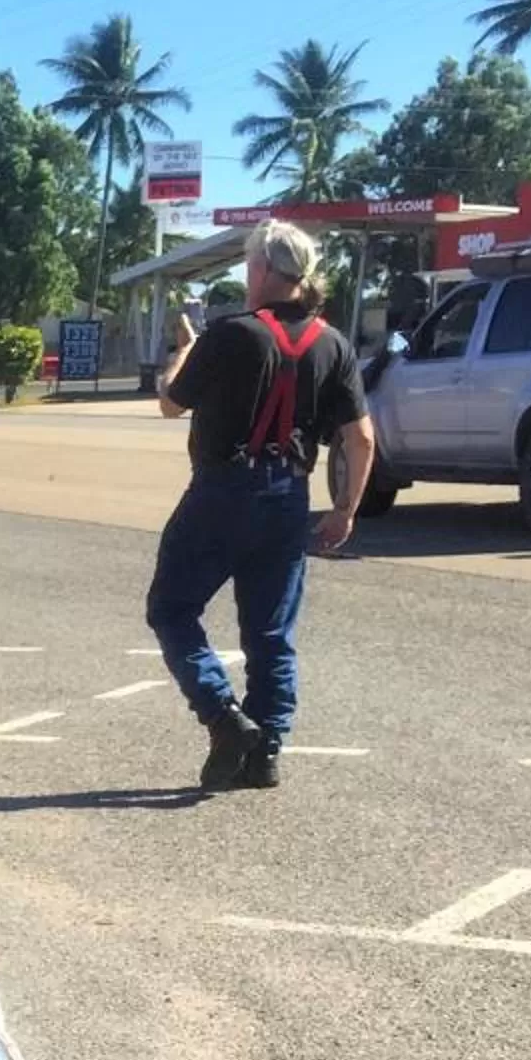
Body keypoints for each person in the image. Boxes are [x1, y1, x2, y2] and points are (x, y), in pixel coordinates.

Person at [150, 220, 374, 791]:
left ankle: (223, 716)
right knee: (271, 633)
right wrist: (345, 508)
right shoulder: (333, 344)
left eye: (250, 264)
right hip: (287, 496)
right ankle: (266, 750)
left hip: (222, 491)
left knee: (172, 609)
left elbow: (172, 403)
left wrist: (185, 349)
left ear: (265, 270)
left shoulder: (230, 335)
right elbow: (361, 438)